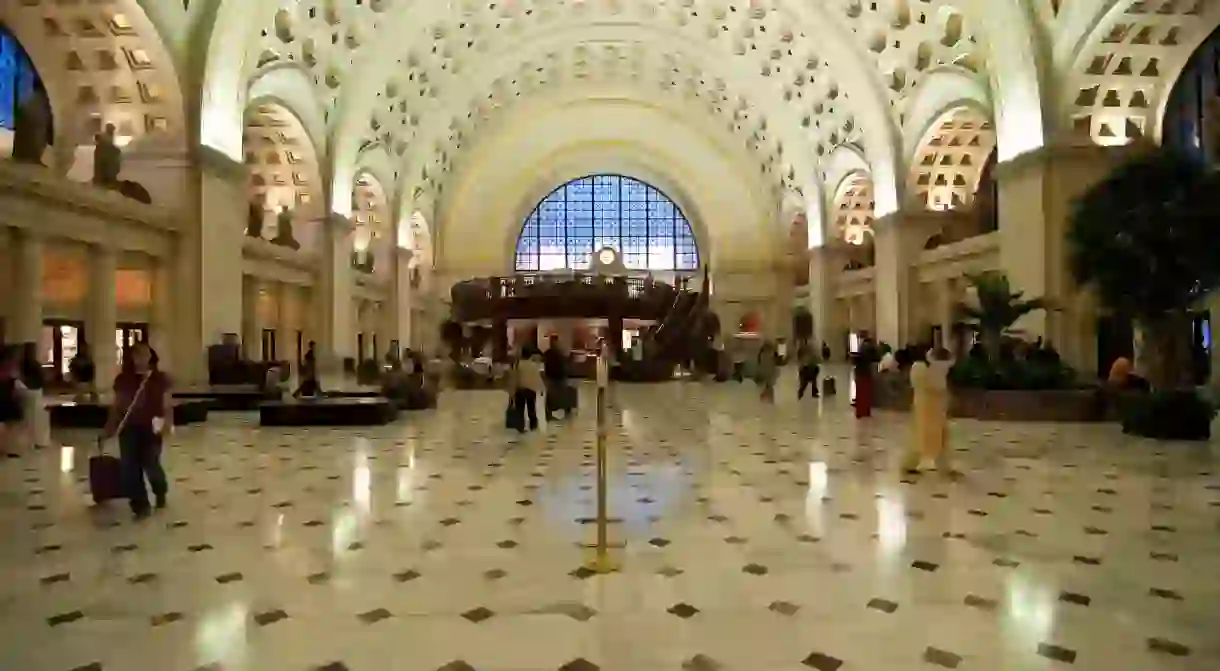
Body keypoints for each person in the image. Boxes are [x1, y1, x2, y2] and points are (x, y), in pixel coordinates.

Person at [103, 342, 172, 519]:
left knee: (151, 464)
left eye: (145, 354)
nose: (141, 358)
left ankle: (160, 490)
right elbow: (117, 406)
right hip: (129, 429)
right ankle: (140, 505)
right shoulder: (123, 380)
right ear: (132, 358)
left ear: (151, 356)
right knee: (129, 468)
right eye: (137, 355)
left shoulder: (160, 379)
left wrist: (167, 424)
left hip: (151, 429)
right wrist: (109, 427)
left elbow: (167, 404)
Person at [903, 347, 955, 475]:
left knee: (941, 438)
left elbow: (941, 390)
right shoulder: (920, 369)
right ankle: (909, 464)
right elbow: (932, 387)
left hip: (936, 410)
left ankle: (944, 466)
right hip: (926, 409)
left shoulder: (932, 370)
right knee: (922, 437)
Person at [19, 342, 50, 449]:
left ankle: (32, 441)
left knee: (29, 419)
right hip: (36, 392)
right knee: (36, 418)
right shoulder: (34, 364)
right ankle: (39, 441)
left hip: (29, 391)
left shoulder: (24, 364)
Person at [512, 348, 544, 433]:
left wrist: (512, 390)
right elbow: (537, 378)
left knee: (520, 410)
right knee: (531, 408)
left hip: (520, 389)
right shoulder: (533, 365)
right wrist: (541, 389)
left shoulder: (518, 364)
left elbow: (515, 378)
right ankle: (533, 426)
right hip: (531, 390)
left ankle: (520, 427)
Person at [0, 347, 25, 457]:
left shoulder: (11, 371)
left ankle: (9, 449)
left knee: (11, 427)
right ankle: (9, 449)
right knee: (10, 426)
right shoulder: (10, 371)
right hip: (6, 399)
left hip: (8, 399)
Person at [542, 335, 570, 421]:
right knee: (553, 396)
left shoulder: (552, 353)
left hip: (557, 376)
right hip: (554, 377)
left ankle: (564, 411)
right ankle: (551, 413)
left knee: (561, 394)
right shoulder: (554, 353)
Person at [852, 336, 880, 419]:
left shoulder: (861, 349)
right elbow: (876, 358)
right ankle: (865, 411)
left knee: (861, 393)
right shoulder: (869, 349)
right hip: (865, 373)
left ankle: (861, 411)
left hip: (860, 372)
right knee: (865, 393)